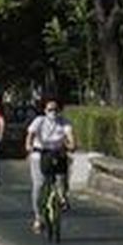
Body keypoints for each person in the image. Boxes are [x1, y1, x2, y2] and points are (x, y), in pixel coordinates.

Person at [26, 97, 76, 232]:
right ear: (45, 110)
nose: (53, 112)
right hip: (40, 154)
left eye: (56, 109)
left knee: (62, 178)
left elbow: (70, 137)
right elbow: (30, 135)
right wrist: (29, 145)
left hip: (57, 153)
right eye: (50, 109)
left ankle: (63, 197)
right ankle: (38, 218)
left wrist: (71, 145)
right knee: (39, 185)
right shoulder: (39, 121)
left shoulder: (64, 122)